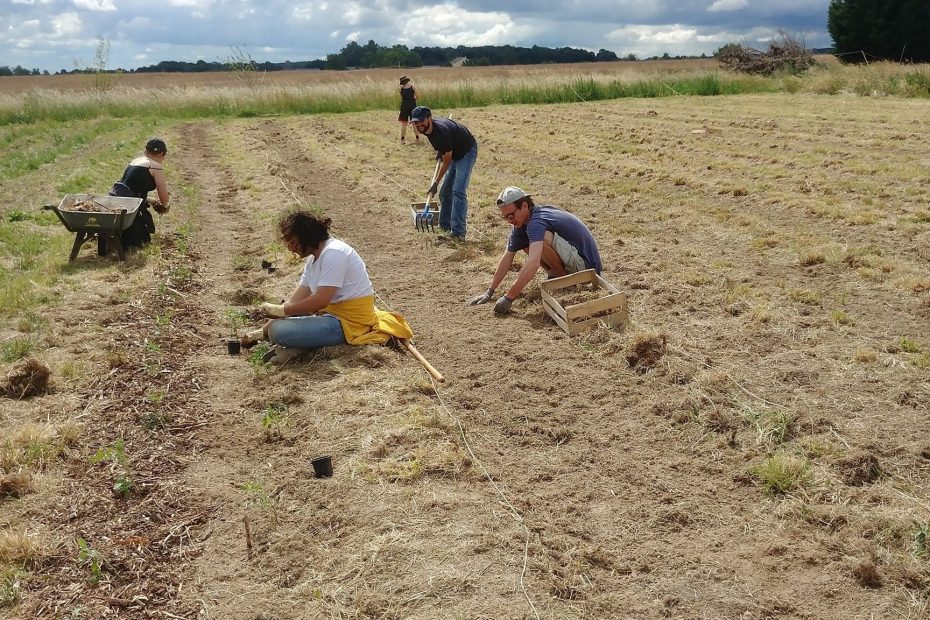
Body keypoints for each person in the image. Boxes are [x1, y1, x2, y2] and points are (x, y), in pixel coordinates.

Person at [242, 210, 413, 365]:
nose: (291, 249)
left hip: (348, 322)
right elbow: (295, 301)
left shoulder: (334, 254)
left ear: (306, 237)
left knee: (278, 331)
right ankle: (303, 344)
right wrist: (261, 332)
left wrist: (280, 313)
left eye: (294, 243)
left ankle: (302, 346)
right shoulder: (313, 260)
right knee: (278, 323)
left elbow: (320, 301)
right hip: (330, 315)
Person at [468, 187, 603, 315]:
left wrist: (509, 297)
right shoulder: (522, 224)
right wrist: (489, 291)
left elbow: (533, 263)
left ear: (525, 206)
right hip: (574, 261)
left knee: (541, 240)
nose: (509, 221)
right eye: (505, 218)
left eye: (511, 216)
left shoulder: (537, 222)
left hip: (586, 270)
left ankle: (565, 282)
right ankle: (559, 276)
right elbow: (507, 257)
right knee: (526, 243)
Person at [409, 106, 478, 241]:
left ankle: (458, 233)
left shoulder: (441, 133)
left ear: (429, 118)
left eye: (421, 121)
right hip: (453, 149)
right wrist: (441, 150)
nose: (419, 125)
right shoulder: (428, 131)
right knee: (445, 192)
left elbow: (446, 162)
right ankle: (445, 226)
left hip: (466, 151)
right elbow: (444, 148)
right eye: (415, 122)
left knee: (458, 191)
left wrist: (435, 183)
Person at [106, 137, 171, 251]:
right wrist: (164, 207)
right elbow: (164, 199)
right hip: (130, 206)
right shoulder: (155, 166)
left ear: (146, 151)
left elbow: (131, 187)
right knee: (141, 242)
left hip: (117, 198)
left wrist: (149, 200)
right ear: (161, 153)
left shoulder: (135, 161)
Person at [398, 76, 420, 145]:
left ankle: (402, 139)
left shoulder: (401, 89)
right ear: (407, 81)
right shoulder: (413, 87)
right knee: (414, 122)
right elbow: (418, 96)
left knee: (404, 123)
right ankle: (417, 138)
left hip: (404, 106)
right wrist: (413, 100)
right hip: (412, 106)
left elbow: (402, 99)